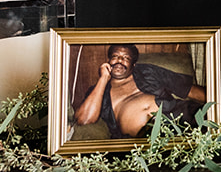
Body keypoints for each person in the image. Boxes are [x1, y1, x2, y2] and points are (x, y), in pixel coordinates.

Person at [74, 43, 207, 137]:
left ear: (133, 65)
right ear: (108, 60)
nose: (120, 60)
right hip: (145, 140)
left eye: (126, 58)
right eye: (115, 56)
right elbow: (84, 120)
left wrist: (218, 101)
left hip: (180, 118)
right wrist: (103, 78)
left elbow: (189, 89)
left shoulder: (147, 71)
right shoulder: (98, 91)